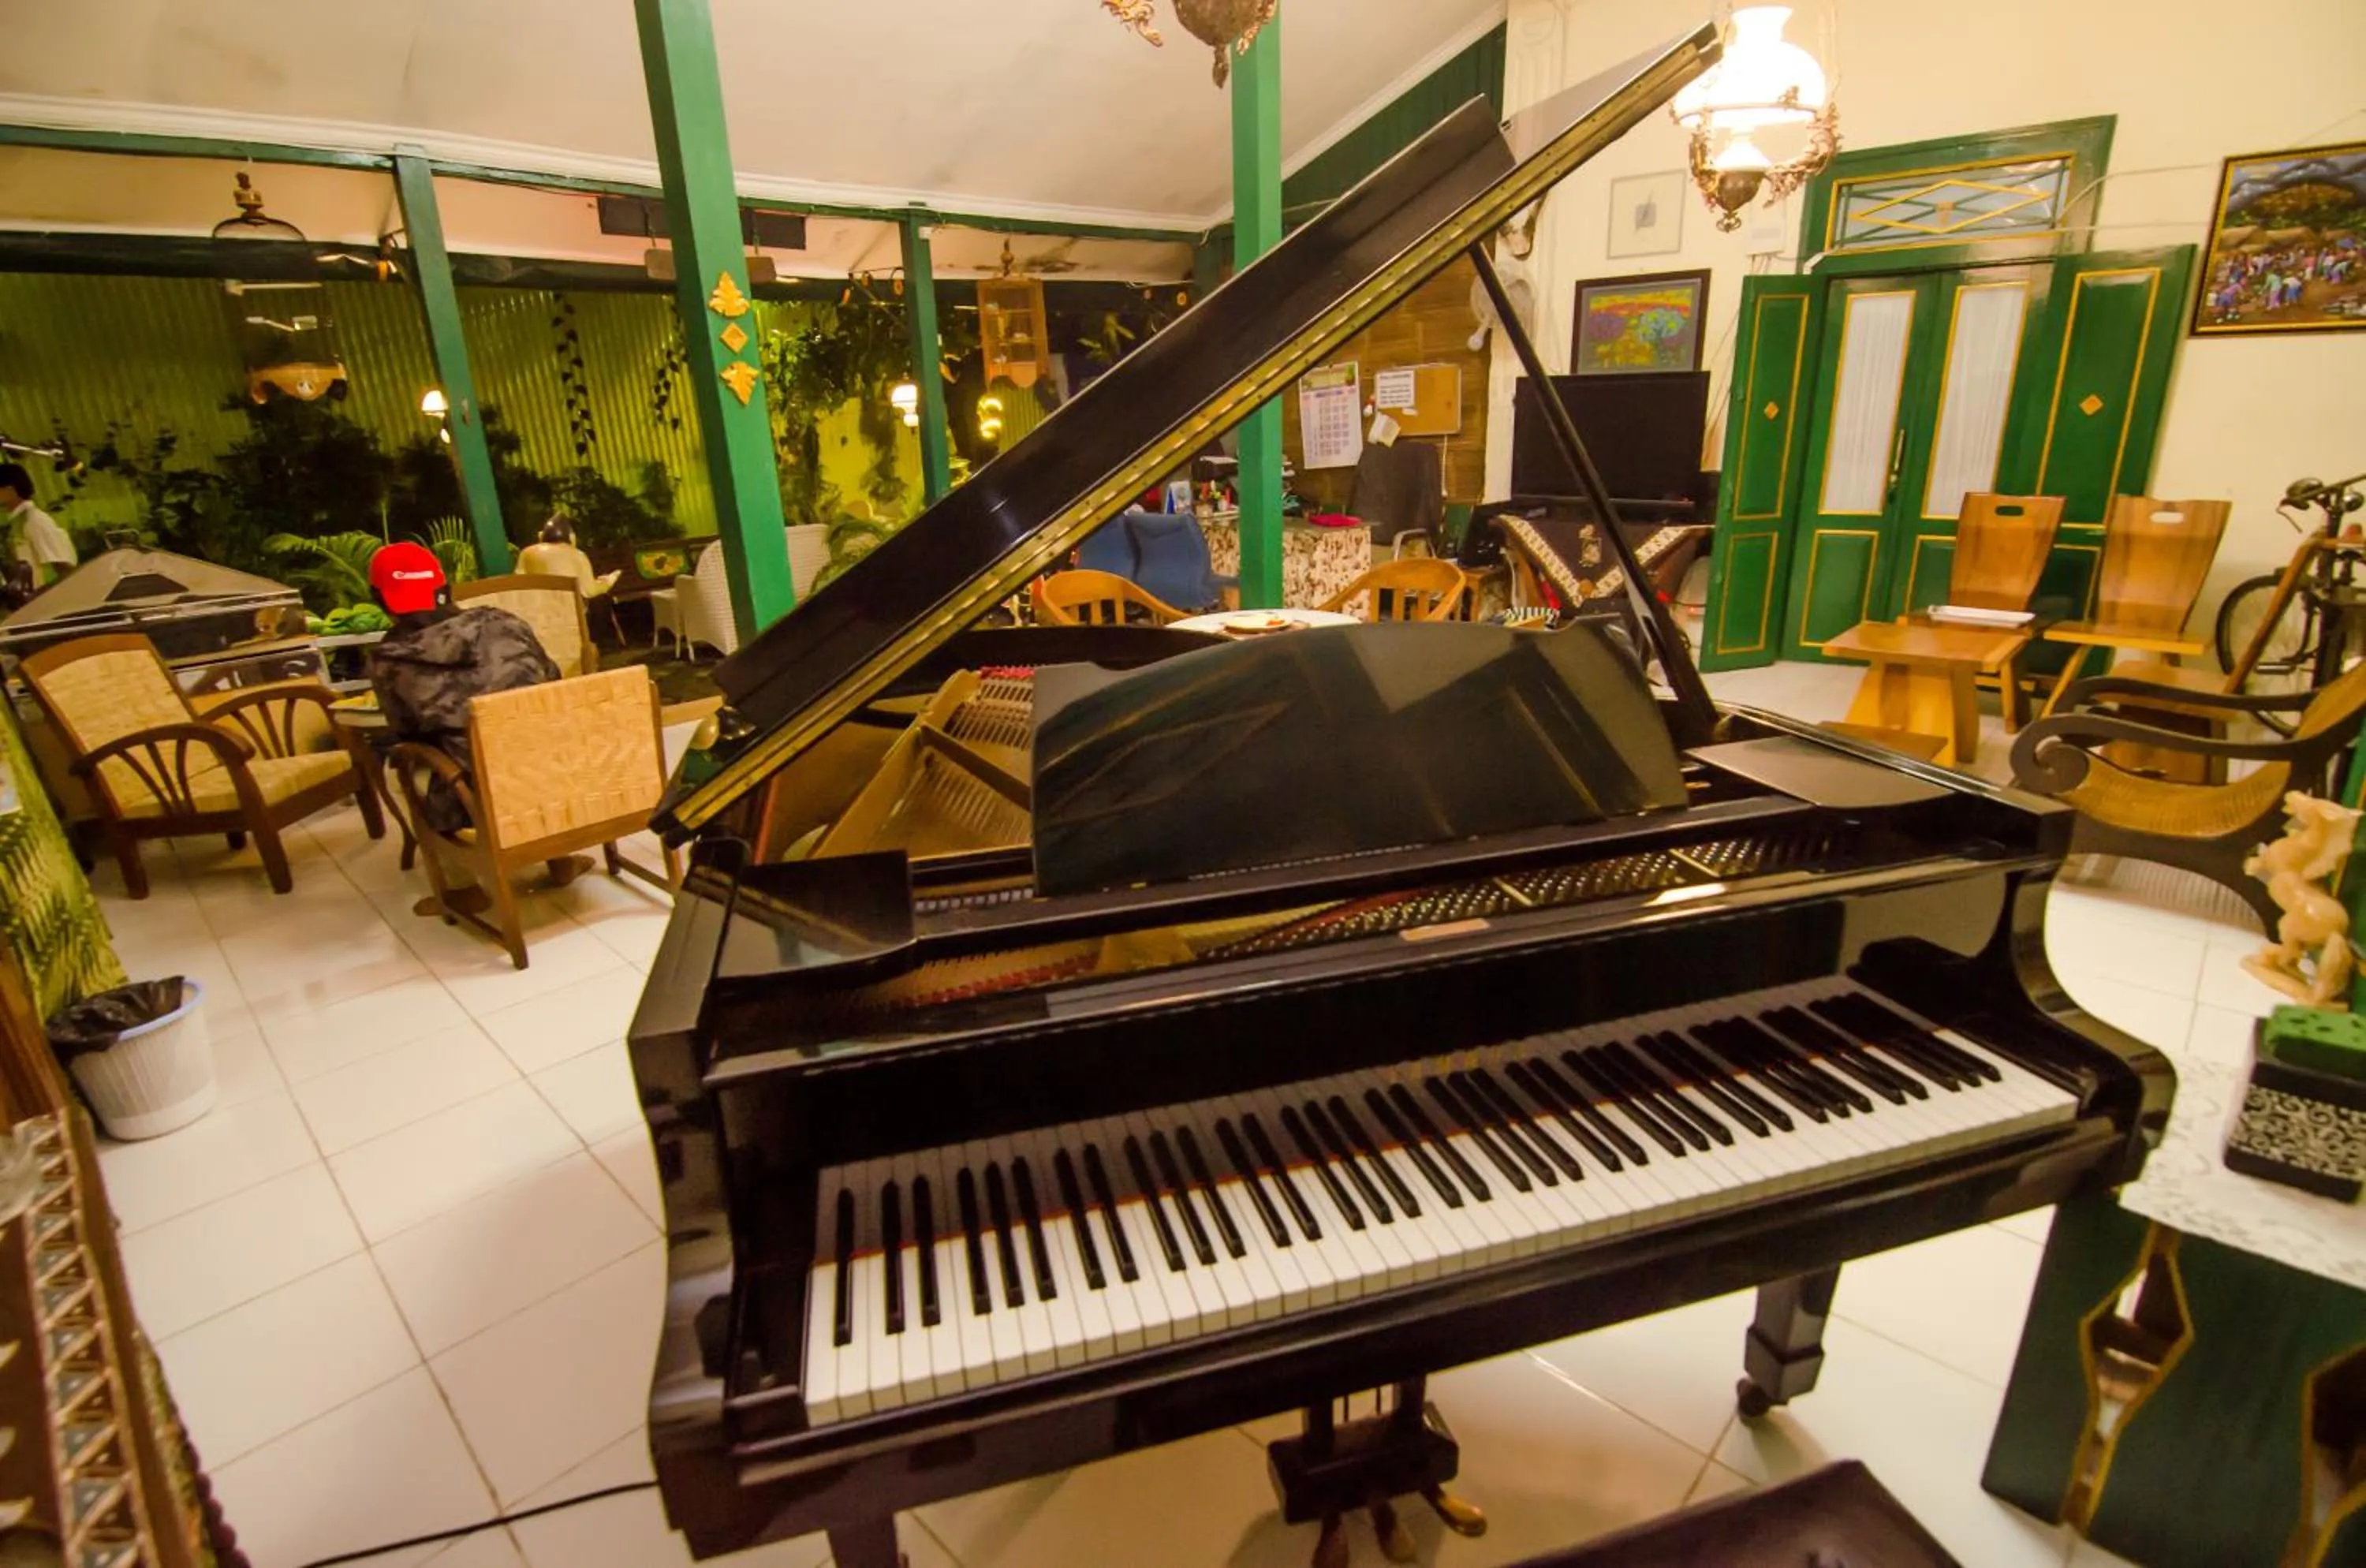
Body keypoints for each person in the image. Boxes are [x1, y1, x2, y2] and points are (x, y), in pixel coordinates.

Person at [364, 542, 558, 837]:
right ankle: (557, 854)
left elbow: (407, 731)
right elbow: (553, 678)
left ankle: (459, 879)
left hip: (475, 798)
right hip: (557, 770)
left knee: (401, 766)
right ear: (444, 588)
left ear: (380, 600)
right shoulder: (504, 622)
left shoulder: (389, 660)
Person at [0, 462, 77, 593]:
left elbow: (62, 566)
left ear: (10, 490)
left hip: (44, 603)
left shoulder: (35, 520)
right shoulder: (16, 524)